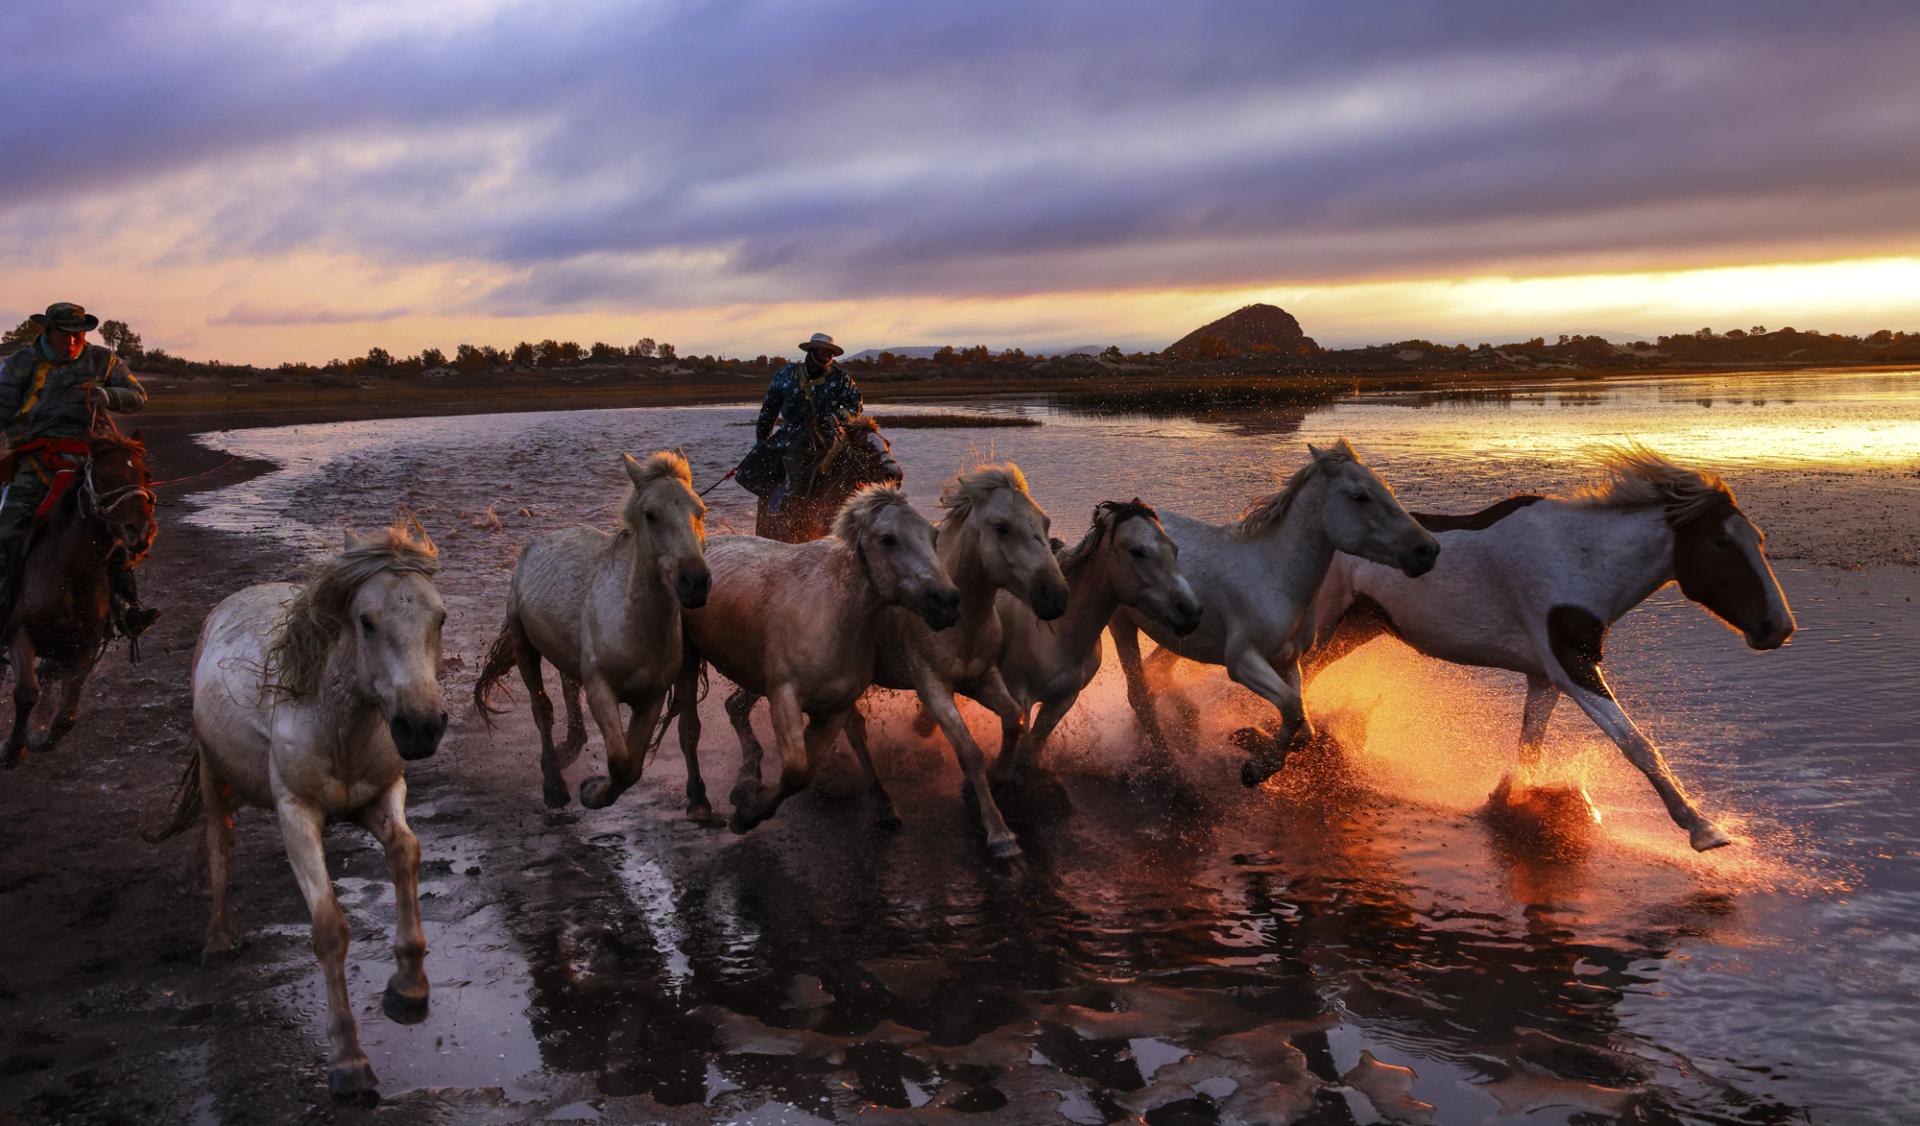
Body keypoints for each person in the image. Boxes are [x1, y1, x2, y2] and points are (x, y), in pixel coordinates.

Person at [0, 302, 157, 637]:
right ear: (48, 331)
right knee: (7, 528)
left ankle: (126, 607)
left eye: (78, 335)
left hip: (92, 457)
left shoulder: (104, 360)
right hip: (37, 460)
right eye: (64, 334)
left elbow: (137, 396)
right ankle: (4, 606)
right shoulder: (20, 364)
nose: (72, 342)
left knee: (125, 519)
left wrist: (106, 394)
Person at [744, 332, 865, 510]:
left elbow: (855, 405)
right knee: (781, 465)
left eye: (831, 353)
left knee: (866, 454)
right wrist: (762, 441)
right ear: (812, 351)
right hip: (792, 437)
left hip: (831, 434)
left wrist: (836, 416)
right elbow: (769, 411)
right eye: (825, 352)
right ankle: (789, 505)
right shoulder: (785, 375)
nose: (829, 356)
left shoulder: (842, 378)